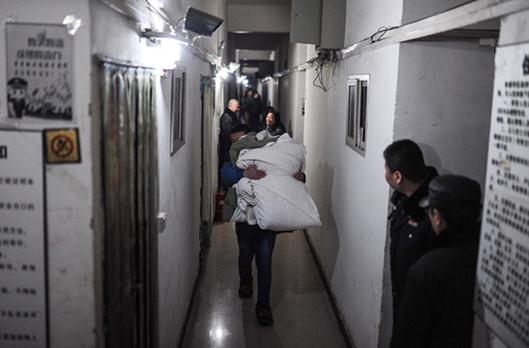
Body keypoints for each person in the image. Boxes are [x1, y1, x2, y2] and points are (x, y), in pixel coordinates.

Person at [221, 124, 305, 326]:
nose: (239, 144)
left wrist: (299, 178)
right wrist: (243, 175)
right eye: (235, 141)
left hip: (268, 217)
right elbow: (225, 175)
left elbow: (287, 174)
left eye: (241, 139)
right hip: (245, 218)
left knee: (265, 260)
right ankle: (246, 281)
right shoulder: (234, 160)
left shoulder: (268, 154)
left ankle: (263, 305)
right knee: (245, 253)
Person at [392, 175, 481, 348]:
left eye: (430, 211)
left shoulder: (429, 268)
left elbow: (407, 336)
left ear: (437, 217)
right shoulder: (484, 258)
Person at [383, 139, 438, 333]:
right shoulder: (403, 201)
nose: (385, 174)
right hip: (403, 301)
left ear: (397, 176)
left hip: (423, 315)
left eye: (386, 169)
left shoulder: (433, 214)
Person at [218, 99, 242, 190]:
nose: (238, 109)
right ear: (231, 106)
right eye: (237, 107)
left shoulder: (229, 116)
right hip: (227, 148)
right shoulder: (227, 118)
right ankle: (225, 187)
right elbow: (229, 134)